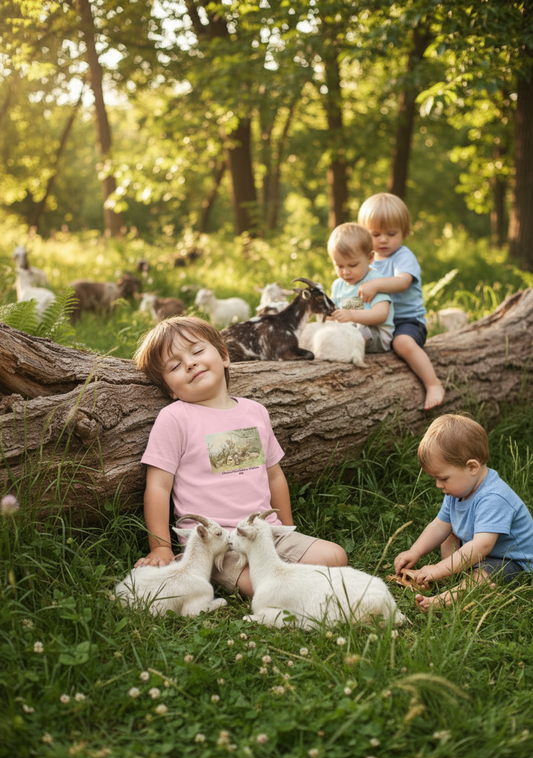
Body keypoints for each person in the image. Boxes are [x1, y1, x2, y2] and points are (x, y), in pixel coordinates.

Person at [133, 316, 348, 597]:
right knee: (258, 585)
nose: (190, 363)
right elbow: (158, 487)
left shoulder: (254, 411)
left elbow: (274, 475)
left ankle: (294, 580)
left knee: (336, 557)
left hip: (264, 532)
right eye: (174, 366)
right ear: (170, 389)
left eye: (197, 351)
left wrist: (284, 528)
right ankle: (291, 588)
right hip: (214, 543)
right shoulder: (175, 418)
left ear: (224, 356)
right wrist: (160, 546)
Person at [394, 414, 533, 611]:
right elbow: (438, 526)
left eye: (443, 478)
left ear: (472, 467)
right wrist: (415, 551)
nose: (438, 485)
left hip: (511, 560)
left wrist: (438, 569)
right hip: (476, 552)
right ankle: (450, 572)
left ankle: (446, 598)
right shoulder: (458, 490)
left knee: (485, 574)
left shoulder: (494, 497)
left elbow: (482, 546)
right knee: (449, 530)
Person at [357, 192, 445, 410]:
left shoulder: (403, 256)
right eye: (375, 234)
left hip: (407, 322)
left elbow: (403, 282)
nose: (383, 239)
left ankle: (433, 383)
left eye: (391, 233)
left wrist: (376, 284)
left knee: (402, 343)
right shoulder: (368, 260)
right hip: (379, 320)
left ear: (404, 232)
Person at [327, 222, 395, 353]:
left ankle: (347, 347)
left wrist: (351, 315)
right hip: (349, 330)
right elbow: (334, 311)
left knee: (355, 326)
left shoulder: (375, 281)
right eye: (340, 266)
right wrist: (331, 316)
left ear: (370, 258)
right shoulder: (338, 285)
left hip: (376, 336)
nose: (346, 272)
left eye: (352, 265)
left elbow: (381, 315)